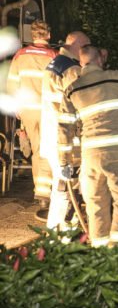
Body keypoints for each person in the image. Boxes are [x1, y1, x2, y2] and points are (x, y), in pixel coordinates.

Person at [57, 45, 118, 256]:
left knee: (95, 206)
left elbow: (64, 127)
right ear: (100, 59)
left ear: (81, 63)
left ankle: (101, 256)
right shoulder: (115, 78)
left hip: (91, 159)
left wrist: (65, 161)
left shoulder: (72, 90)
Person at [6, 20, 58, 220]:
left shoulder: (20, 55)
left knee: (37, 150)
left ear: (32, 35)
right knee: (46, 150)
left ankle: (42, 192)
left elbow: (12, 83)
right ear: (48, 35)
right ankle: (45, 194)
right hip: (48, 110)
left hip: (27, 111)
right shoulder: (53, 56)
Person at [41, 31, 90, 230]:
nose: (87, 52)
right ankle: (58, 234)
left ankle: (60, 232)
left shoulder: (55, 64)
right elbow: (79, 102)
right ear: (77, 46)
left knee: (62, 187)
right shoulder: (71, 69)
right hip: (65, 140)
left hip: (53, 135)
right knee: (65, 188)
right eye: (86, 47)